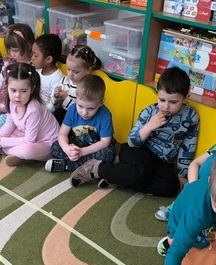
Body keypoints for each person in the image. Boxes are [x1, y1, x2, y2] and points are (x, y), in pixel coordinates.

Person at [70, 67, 199, 196]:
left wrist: (182, 174)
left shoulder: (191, 117)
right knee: (140, 172)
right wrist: (148, 127)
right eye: (162, 100)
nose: (166, 106)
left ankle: (120, 178)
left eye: (173, 102)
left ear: (186, 97)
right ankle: (96, 168)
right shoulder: (150, 111)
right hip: (138, 151)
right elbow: (132, 141)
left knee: (169, 186)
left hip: (162, 161)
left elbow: (188, 148)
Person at [0, 62, 59, 167]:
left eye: (23, 91)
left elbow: (29, 140)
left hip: (48, 144)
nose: (17, 96)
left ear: (32, 89)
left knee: (27, 151)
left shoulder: (34, 110)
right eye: (13, 90)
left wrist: (4, 142)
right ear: (7, 87)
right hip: (28, 135)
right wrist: (0, 137)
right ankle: (13, 153)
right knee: (8, 133)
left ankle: (5, 150)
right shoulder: (12, 102)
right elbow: (10, 122)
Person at [45, 74, 116, 173]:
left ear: (101, 102)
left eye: (91, 108)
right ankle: (86, 166)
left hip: (94, 149)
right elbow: (62, 134)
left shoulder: (105, 114)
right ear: (76, 97)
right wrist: (67, 149)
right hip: (76, 145)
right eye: (80, 106)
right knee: (55, 147)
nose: (84, 112)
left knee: (108, 154)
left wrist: (82, 152)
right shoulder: (72, 109)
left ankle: (67, 165)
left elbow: (105, 142)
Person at [52, 44, 102, 125]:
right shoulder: (65, 80)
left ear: (88, 70)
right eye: (68, 69)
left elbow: (81, 112)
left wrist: (66, 98)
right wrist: (56, 97)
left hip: (77, 120)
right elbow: (55, 106)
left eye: (75, 72)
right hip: (62, 114)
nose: (70, 74)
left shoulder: (87, 87)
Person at [31, 33, 63, 114]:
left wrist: (38, 112)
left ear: (48, 59)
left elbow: (53, 107)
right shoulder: (37, 70)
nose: (32, 58)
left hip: (45, 114)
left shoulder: (57, 78)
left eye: (35, 56)